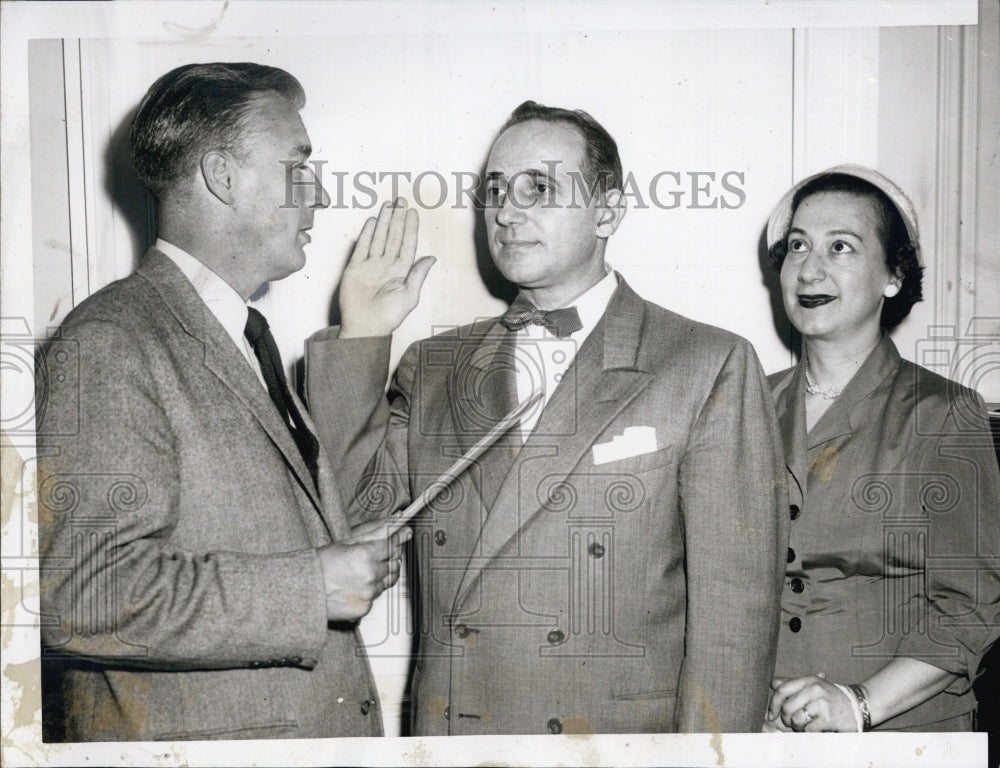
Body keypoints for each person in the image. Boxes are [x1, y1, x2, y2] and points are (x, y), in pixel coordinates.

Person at [306, 100, 789, 734]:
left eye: (540, 187)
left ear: (609, 210)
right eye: (497, 191)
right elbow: (352, 515)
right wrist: (362, 335)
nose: (507, 211)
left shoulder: (705, 363)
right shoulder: (434, 365)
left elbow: (736, 618)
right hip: (457, 738)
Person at [36, 62, 415, 741]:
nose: (319, 193)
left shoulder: (242, 335)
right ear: (223, 176)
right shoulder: (110, 341)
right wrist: (310, 587)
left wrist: (329, 553)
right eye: (297, 166)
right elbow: (82, 592)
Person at [762, 164, 1000, 732]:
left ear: (893, 275)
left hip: (900, 730)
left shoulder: (943, 414)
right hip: (765, 729)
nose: (809, 268)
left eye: (840, 246)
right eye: (798, 246)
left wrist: (858, 703)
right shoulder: (747, 404)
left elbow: (970, 606)